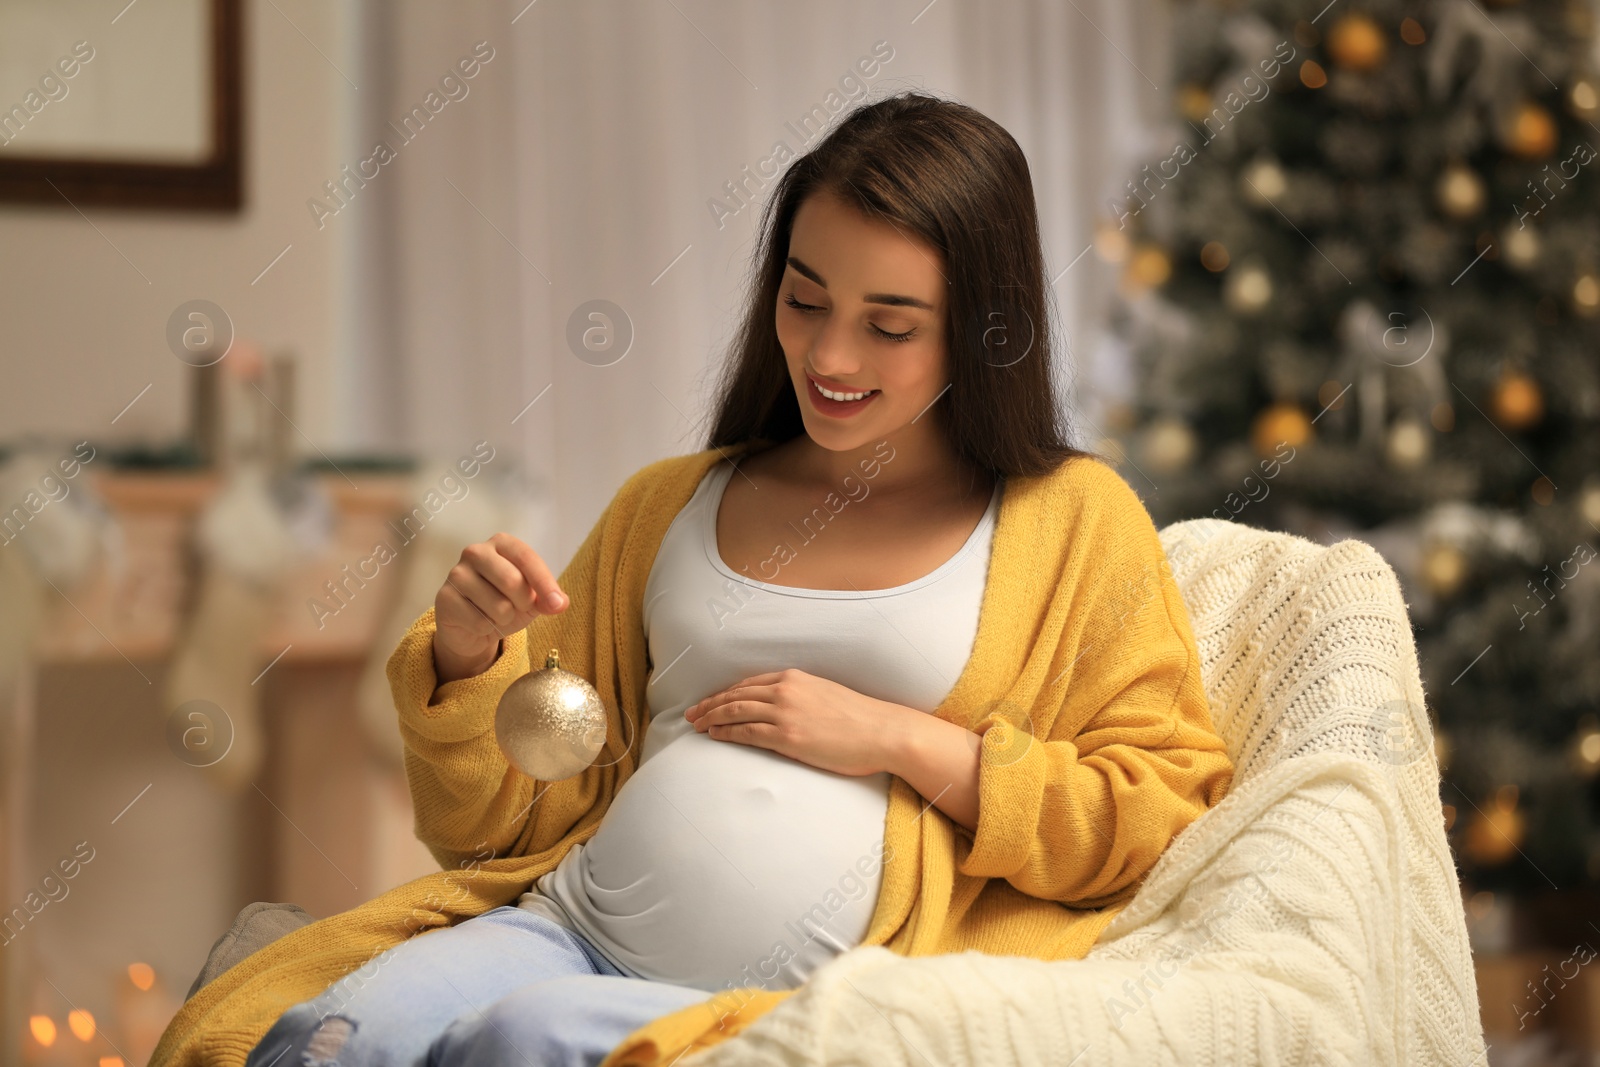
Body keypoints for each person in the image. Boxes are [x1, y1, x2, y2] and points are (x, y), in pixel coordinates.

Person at [240, 89, 1234, 1067]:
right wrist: (470, 659)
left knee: (520, 1039)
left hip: (778, 1005)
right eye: (804, 300)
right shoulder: (667, 502)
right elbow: (496, 821)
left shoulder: (1071, 520)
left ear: (982, 328)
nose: (830, 354)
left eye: (889, 325)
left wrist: (901, 739)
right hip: (564, 925)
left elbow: (1155, 812)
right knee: (329, 1038)